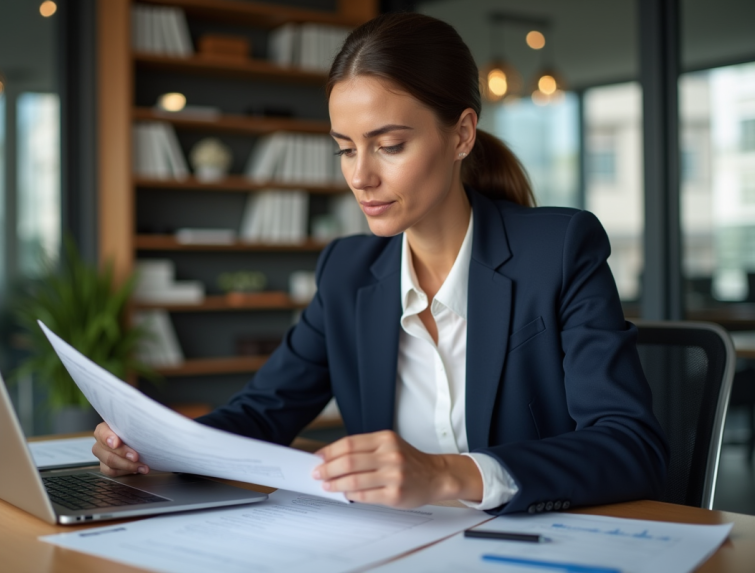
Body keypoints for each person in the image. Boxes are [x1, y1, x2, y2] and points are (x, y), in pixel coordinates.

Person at [93, 12, 668, 514]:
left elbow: (631, 446)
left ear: (462, 135)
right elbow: (262, 413)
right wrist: (153, 446)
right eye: (345, 148)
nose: (360, 176)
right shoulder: (347, 271)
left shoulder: (559, 251)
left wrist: (447, 474)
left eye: (389, 146)